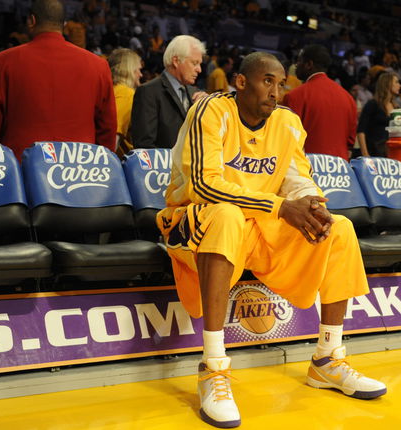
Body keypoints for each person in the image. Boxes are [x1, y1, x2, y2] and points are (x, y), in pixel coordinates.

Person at [156, 52, 386, 428]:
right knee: (227, 214)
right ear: (242, 82)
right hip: (191, 221)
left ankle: (327, 360)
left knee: (339, 228)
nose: (276, 91)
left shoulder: (288, 122)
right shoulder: (210, 111)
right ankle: (213, 367)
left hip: (258, 222)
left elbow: (297, 176)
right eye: (267, 81)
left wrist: (313, 204)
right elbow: (202, 185)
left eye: (281, 84)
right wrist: (280, 208)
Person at [0, 0, 116, 161]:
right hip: (80, 172)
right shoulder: (99, 65)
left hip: (20, 172)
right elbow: (107, 128)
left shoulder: (0, 63)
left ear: (31, 20)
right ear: (63, 24)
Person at [131, 35, 207, 149]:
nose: (199, 69)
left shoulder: (196, 93)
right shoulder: (148, 92)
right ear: (176, 61)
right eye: (194, 63)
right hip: (164, 166)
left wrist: (208, 108)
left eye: (200, 64)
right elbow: (144, 146)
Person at [283, 44, 357, 160]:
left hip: (306, 169)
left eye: (299, 61)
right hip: (339, 171)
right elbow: (350, 143)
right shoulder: (348, 98)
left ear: (309, 65)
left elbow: (287, 139)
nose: (296, 65)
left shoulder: (295, 96)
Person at [108, 48, 142, 157]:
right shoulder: (126, 94)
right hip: (117, 164)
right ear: (129, 70)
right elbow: (114, 137)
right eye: (138, 70)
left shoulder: (112, 90)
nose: (141, 75)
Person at [357, 71, 400, 157]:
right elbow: (361, 130)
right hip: (373, 152)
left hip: (389, 154)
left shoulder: (396, 108)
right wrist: (365, 154)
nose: (399, 85)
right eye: (396, 82)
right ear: (387, 84)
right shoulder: (373, 104)